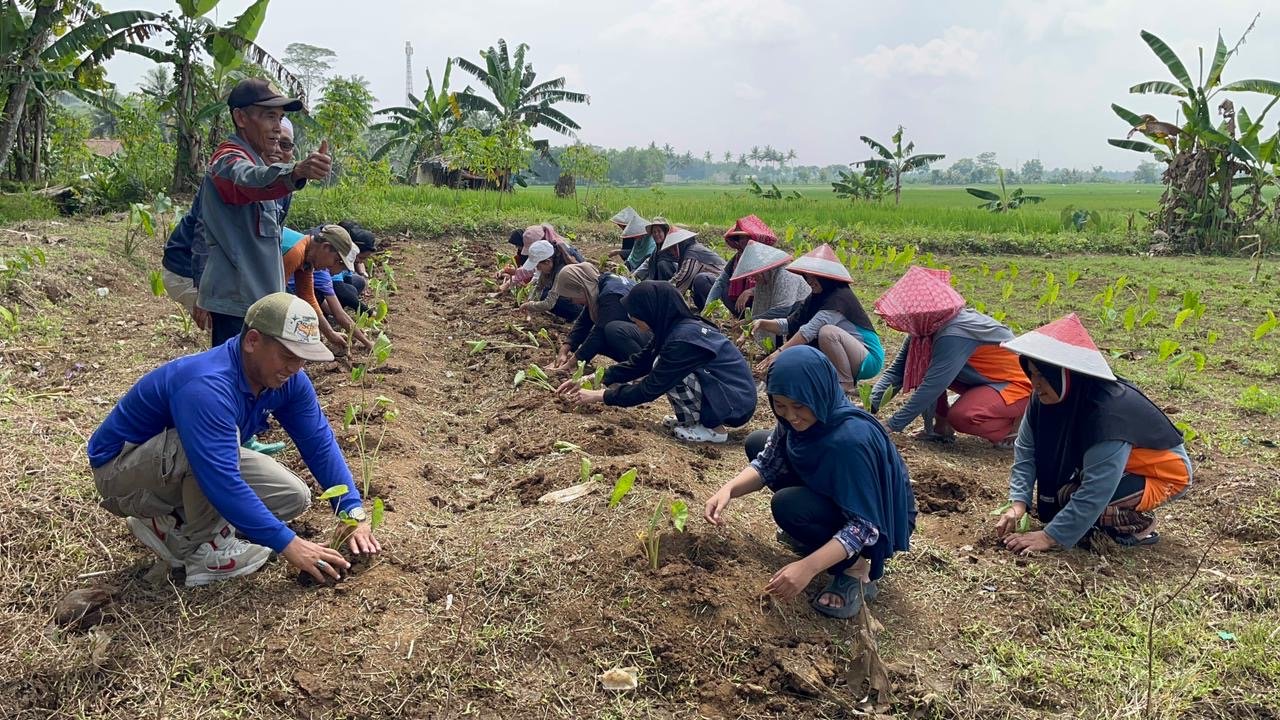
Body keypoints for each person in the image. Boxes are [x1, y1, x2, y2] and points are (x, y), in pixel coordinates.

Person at [87, 293, 383, 587]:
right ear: (252, 341)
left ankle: (170, 522)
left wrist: (352, 512)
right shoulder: (207, 386)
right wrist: (289, 544)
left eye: (303, 359)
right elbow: (221, 479)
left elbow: (318, 443)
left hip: (172, 464)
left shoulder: (287, 381)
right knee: (197, 451)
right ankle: (201, 551)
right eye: (288, 356)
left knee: (292, 496)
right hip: (120, 473)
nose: (295, 368)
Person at [705, 346, 915, 618]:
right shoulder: (799, 420)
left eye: (799, 406)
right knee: (757, 441)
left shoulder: (850, 441)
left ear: (818, 393)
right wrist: (728, 490)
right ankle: (821, 539)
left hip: (876, 519)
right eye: (780, 405)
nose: (790, 416)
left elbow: (865, 525)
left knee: (789, 505)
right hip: (844, 496)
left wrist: (808, 567)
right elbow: (769, 461)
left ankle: (856, 570)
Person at [994, 314, 1192, 553]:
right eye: (1032, 373)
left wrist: (1049, 537)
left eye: (1043, 375)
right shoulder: (1044, 400)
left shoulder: (1108, 413)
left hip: (1162, 476)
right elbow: (1026, 450)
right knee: (1065, 498)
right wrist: (1018, 504)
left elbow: (1098, 488)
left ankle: (1138, 527)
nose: (1035, 383)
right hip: (1121, 469)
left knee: (1092, 505)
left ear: (1065, 374)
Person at [196, 78, 331, 347]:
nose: (278, 129)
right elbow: (251, 179)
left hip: (258, 302)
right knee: (239, 379)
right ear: (241, 118)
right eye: (270, 117)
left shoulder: (258, 162)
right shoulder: (228, 160)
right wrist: (296, 171)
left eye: (280, 119)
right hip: (238, 303)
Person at [556, 281, 757, 443]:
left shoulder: (682, 340)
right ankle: (693, 421)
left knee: (667, 370)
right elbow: (639, 362)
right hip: (729, 395)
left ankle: (713, 430)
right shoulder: (673, 329)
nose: (631, 317)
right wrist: (592, 379)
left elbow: (650, 389)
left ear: (652, 309)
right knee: (659, 363)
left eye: (636, 312)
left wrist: (599, 396)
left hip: (735, 403)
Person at [869, 266, 1031, 447]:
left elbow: (932, 386)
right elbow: (897, 372)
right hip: (988, 381)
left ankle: (1019, 431)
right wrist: (870, 406)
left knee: (963, 416)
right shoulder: (926, 329)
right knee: (931, 370)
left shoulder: (953, 334)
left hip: (1018, 386)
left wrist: (892, 425)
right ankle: (941, 427)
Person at [753, 245, 883, 394]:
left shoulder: (839, 299)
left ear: (826, 279)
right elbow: (790, 324)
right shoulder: (816, 297)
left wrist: (778, 353)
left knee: (827, 332)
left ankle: (846, 384)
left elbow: (809, 331)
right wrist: (761, 323)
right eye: (807, 277)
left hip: (867, 358)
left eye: (815, 278)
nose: (810, 281)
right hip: (848, 355)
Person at [280, 224, 368, 351]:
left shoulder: (307, 258)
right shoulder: (295, 252)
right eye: (336, 260)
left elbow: (308, 297)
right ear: (326, 247)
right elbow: (277, 296)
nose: (332, 266)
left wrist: (330, 334)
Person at [548, 263, 651, 373]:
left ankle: (642, 367)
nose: (573, 301)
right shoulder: (599, 284)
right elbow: (584, 322)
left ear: (582, 288)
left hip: (654, 339)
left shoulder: (612, 295)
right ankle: (632, 365)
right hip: (640, 334)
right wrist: (565, 350)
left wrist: (572, 363)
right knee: (592, 337)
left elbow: (599, 332)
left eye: (572, 297)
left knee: (612, 330)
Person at [729, 241, 810, 347]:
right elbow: (759, 307)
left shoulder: (785, 274)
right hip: (785, 314)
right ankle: (772, 348)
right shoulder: (766, 276)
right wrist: (748, 328)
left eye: (754, 275)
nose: (753, 278)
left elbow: (782, 310)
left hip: (801, 310)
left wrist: (749, 322)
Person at [705, 214, 778, 317]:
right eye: (740, 238)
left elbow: (774, 286)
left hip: (767, 306)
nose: (743, 241)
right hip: (743, 304)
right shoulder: (738, 257)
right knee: (705, 281)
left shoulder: (769, 258)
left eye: (746, 238)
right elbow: (721, 281)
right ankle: (744, 317)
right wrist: (707, 307)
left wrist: (750, 291)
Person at [652, 226, 727, 311]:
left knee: (700, 279)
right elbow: (678, 275)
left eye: (672, 248)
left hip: (723, 287)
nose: (672, 252)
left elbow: (681, 279)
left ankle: (712, 310)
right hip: (715, 283)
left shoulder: (692, 254)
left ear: (678, 245)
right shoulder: (688, 252)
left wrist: (660, 296)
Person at [498, 224, 585, 292]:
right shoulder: (551, 249)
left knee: (545, 294)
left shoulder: (559, 256)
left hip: (576, 291)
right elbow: (533, 270)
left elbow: (536, 274)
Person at [517, 239, 582, 322]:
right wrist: (530, 301)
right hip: (571, 295)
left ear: (547, 262)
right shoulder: (554, 260)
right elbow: (539, 286)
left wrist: (529, 305)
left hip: (581, 304)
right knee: (544, 293)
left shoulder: (562, 271)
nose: (537, 269)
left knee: (546, 297)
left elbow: (549, 303)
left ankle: (575, 318)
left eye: (538, 266)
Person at [330, 220, 377, 316]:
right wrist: (368, 311)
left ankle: (338, 308)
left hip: (331, 287)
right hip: (323, 291)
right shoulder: (335, 260)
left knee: (355, 285)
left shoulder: (346, 260)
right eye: (360, 257)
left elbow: (348, 282)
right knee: (347, 292)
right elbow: (340, 289)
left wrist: (354, 300)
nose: (360, 262)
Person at [631, 217, 671, 281]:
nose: (656, 234)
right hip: (657, 281)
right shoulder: (657, 250)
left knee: (662, 264)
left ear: (665, 232)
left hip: (670, 283)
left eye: (659, 231)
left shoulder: (671, 248)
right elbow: (648, 262)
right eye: (654, 232)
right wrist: (634, 275)